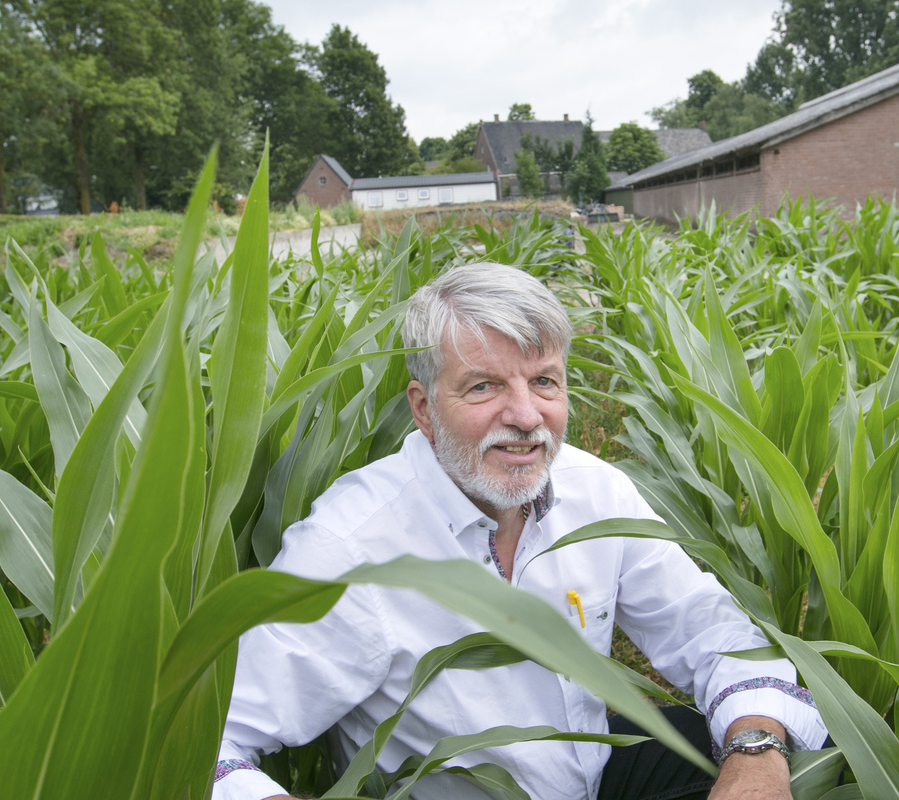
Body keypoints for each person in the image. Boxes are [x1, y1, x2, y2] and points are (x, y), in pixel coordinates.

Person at [214, 263, 825, 800]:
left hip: (588, 776)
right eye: (484, 386)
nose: (527, 417)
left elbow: (713, 633)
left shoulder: (594, 492)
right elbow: (208, 744)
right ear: (423, 408)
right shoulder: (353, 549)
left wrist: (753, 757)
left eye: (544, 381)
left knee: (806, 763)